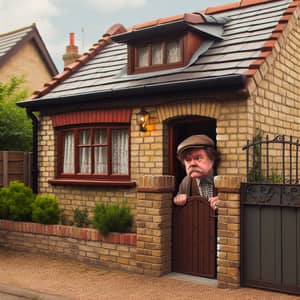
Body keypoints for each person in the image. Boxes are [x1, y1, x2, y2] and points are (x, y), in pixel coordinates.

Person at [173, 134, 219, 210]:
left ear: (212, 160)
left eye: (198, 158)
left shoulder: (223, 178)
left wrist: (226, 202)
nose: (192, 164)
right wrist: (177, 199)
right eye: (188, 160)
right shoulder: (186, 182)